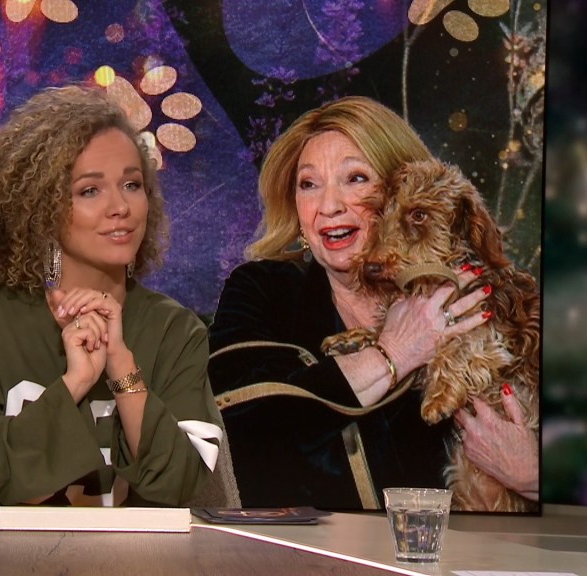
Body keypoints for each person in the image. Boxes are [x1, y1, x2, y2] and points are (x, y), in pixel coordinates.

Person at [208, 96, 539, 509]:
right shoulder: (264, 289)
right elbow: (230, 423)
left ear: (399, 192)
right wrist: (393, 352)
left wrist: (534, 476)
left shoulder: (475, 292)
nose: (329, 206)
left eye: (356, 178)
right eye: (308, 184)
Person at [0, 85, 225, 507]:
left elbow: (182, 485)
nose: (120, 207)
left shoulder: (175, 331)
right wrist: (76, 382)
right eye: (90, 190)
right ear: (41, 209)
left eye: (132, 184)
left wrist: (122, 366)